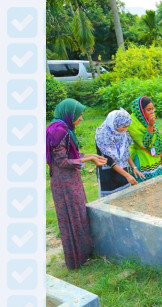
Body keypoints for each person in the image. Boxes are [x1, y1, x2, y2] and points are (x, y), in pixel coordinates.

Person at [46, 98, 108, 269]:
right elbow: (63, 162)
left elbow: (69, 156)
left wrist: (91, 157)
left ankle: (82, 255)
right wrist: (89, 158)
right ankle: (77, 258)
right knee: (73, 217)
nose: (81, 118)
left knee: (78, 214)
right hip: (65, 183)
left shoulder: (62, 128)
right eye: (79, 115)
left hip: (69, 180)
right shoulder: (59, 131)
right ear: (69, 113)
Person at [95, 109, 142, 197]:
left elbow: (125, 152)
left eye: (126, 127)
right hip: (108, 172)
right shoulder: (102, 135)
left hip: (122, 169)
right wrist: (127, 175)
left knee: (125, 196)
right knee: (111, 200)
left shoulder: (122, 132)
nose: (125, 129)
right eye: (123, 127)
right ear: (115, 124)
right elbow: (108, 160)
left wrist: (134, 167)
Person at [128, 96, 162, 182]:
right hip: (142, 159)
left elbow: (157, 137)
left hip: (154, 157)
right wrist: (150, 125)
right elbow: (144, 144)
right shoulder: (132, 123)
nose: (152, 112)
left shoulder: (149, 119)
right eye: (148, 110)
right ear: (140, 111)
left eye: (153, 109)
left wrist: (161, 153)